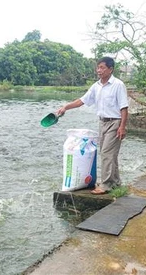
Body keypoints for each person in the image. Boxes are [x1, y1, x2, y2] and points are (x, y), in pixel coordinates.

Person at [56, 56, 129, 195]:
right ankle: (116, 182)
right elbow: (82, 100)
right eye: (98, 67)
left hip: (115, 122)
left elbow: (124, 108)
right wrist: (66, 106)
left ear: (110, 69)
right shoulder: (96, 86)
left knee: (107, 153)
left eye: (102, 67)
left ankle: (106, 185)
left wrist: (122, 127)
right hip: (102, 122)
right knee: (109, 154)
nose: (98, 70)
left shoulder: (118, 85)